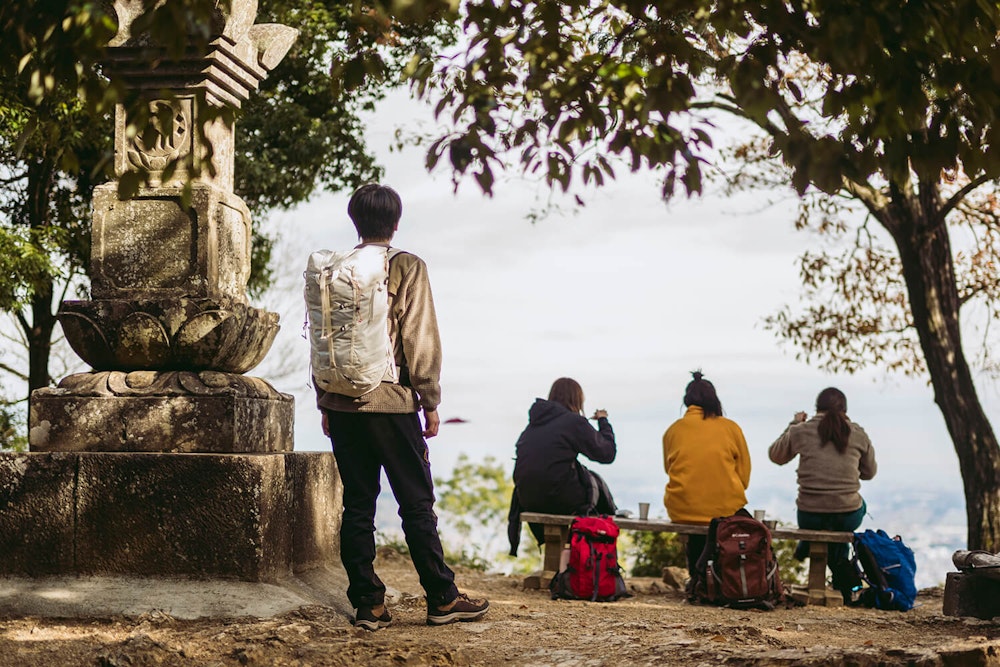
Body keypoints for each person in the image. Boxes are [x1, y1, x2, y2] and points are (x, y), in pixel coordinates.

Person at [316, 183, 488, 631]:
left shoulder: (333, 270)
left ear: (355, 221)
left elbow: (320, 338)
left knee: (358, 504)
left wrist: (325, 401)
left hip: (342, 404)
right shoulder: (407, 266)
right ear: (396, 222)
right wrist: (429, 401)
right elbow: (420, 338)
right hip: (391, 405)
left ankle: (368, 604)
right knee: (415, 503)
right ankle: (442, 598)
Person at [769, 387, 877, 603]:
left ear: (816, 408)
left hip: (809, 514)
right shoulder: (857, 433)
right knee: (857, 508)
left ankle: (806, 546)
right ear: (845, 409)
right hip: (847, 514)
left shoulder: (801, 430)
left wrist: (794, 424)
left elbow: (776, 456)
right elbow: (869, 473)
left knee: (823, 524)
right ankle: (845, 584)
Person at [507, 377, 618, 556]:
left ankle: (571, 562)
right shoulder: (574, 422)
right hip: (559, 499)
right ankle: (596, 557)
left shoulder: (533, 425)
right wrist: (603, 421)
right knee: (594, 482)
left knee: (584, 476)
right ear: (577, 400)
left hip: (528, 499)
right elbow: (606, 454)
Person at [662, 371, 751, 577]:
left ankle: (698, 578)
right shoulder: (731, 428)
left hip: (683, 508)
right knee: (720, 520)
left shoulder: (673, 430)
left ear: (687, 401)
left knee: (697, 535)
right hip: (725, 508)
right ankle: (720, 580)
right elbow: (744, 475)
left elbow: (669, 469)